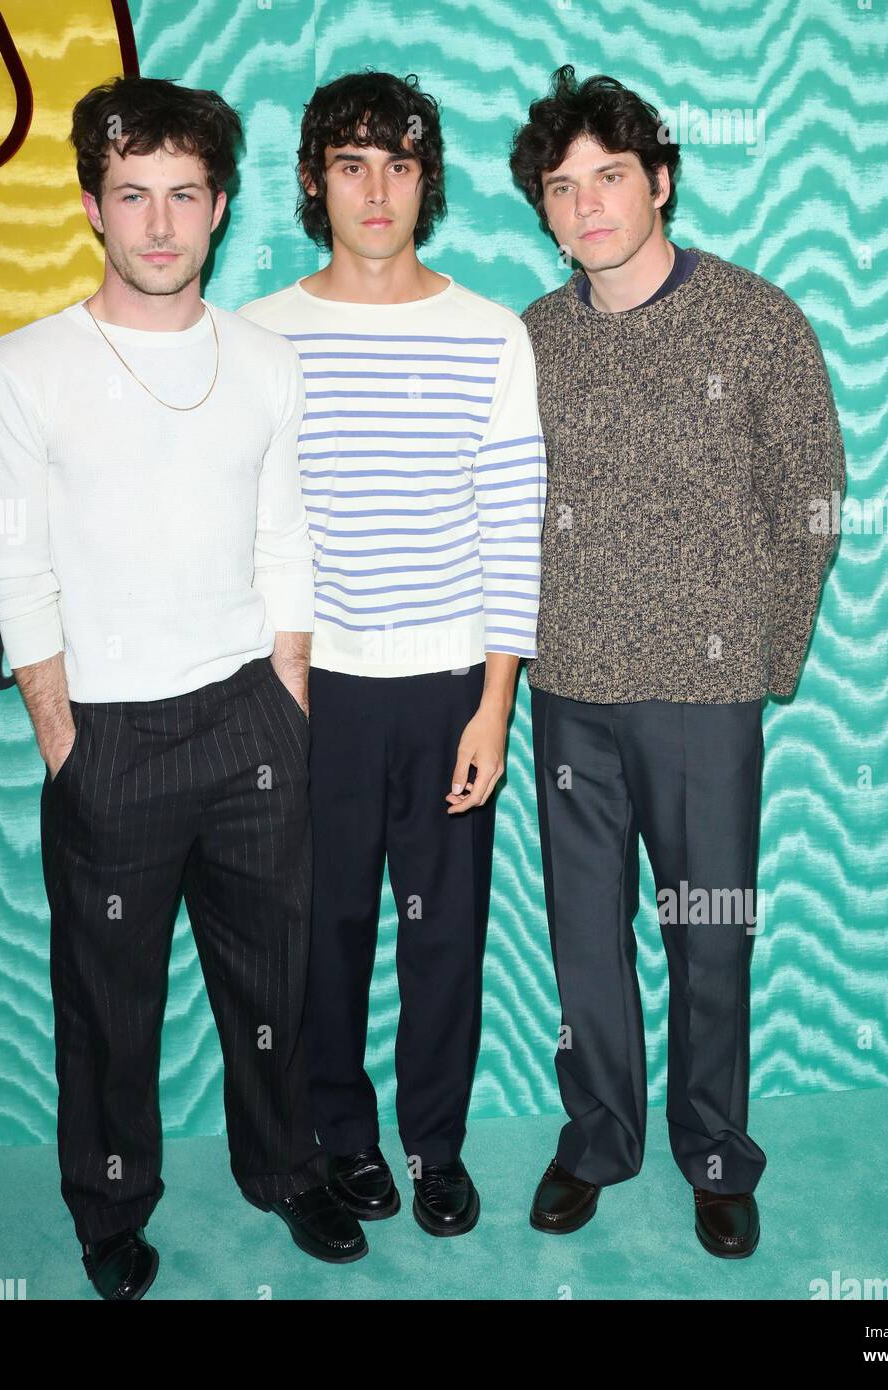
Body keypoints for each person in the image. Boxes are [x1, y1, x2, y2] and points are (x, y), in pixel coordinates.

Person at [0, 74, 366, 1299]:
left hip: (251, 711)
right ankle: (110, 1206)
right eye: (130, 194)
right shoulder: (23, 369)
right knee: (108, 1000)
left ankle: (285, 1166)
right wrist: (62, 738)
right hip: (107, 734)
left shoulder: (260, 359)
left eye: (181, 195)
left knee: (274, 977)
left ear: (218, 205)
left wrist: (288, 695)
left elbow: (287, 537)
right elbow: (14, 566)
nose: (156, 224)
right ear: (92, 205)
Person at [508, 65, 846, 1257]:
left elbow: (810, 491)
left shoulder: (755, 317)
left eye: (610, 175)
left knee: (707, 934)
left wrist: (767, 651)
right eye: (562, 185)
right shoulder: (532, 340)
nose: (588, 202)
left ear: (658, 180)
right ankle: (597, 1138)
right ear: (543, 210)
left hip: (704, 698)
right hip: (566, 695)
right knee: (582, 937)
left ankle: (713, 1152)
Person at [238, 70, 546, 1238]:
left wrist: (494, 705)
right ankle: (340, 1137)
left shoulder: (490, 332)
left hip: (449, 686)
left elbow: (511, 526)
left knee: (442, 937)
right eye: (352, 164)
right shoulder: (258, 333)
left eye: (401, 163)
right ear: (315, 181)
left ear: (429, 181)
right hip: (310, 691)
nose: (378, 190)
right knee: (322, 939)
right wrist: (280, 686)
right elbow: (250, 527)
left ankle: (436, 1147)